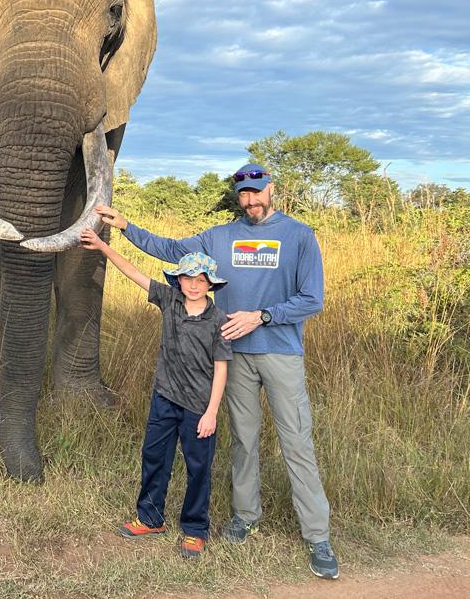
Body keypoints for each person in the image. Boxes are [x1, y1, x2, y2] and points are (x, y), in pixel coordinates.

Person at [95, 162, 339, 580]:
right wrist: (127, 227)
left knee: (296, 442)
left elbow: (312, 299)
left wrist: (262, 316)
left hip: (280, 353)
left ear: (271, 190)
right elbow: (174, 251)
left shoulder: (299, 235)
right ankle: (245, 516)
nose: (251, 200)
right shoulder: (219, 237)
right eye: (244, 194)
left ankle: (318, 536)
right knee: (244, 440)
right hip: (232, 355)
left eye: (257, 192)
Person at [81, 229, 232, 559]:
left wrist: (211, 412)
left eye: (201, 279)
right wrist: (103, 246)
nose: (194, 285)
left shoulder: (219, 321)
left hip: (198, 407)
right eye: (188, 278)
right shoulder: (169, 300)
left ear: (211, 284)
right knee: (154, 457)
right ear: (179, 280)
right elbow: (133, 272)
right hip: (164, 397)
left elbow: (221, 369)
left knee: (198, 468)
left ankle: (194, 529)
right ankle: (150, 518)